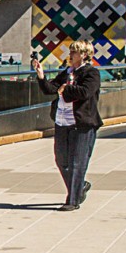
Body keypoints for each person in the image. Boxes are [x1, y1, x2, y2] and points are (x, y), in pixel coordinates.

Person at [34, 39, 102, 212]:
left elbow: (85, 92)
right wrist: (41, 76)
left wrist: (65, 88)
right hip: (62, 121)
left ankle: (72, 200)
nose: (70, 55)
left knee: (77, 163)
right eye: (70, 52)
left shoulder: (91, 73)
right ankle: (80, 187)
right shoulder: (67, 72)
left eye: (74, 52)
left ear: (84, 55)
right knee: (62, 160)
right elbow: (51, 89)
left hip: (82, 123)